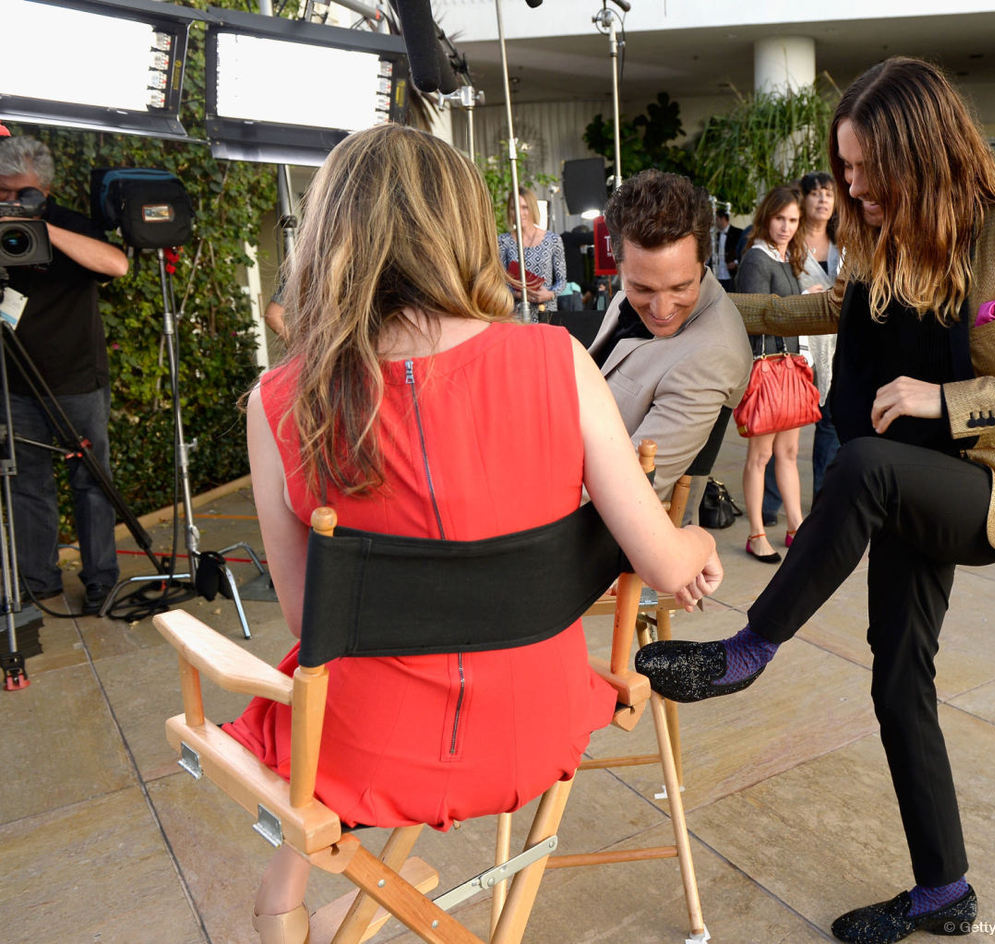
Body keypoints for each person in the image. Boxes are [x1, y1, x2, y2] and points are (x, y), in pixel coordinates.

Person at [635, 57, 995, 944]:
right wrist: (700, 300)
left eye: (866, 169)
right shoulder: (887, 235)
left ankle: (750, 650)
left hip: (981, 486)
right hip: (903, 482)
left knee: (858, 463)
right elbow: (829, 308)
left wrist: (951, 401)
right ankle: (945, 895)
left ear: (922, 152)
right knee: (900, 683)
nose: (850, 188)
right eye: (846, 167)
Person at [224, 126, 723, 944]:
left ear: (328, 239)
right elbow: (665, 564)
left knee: (300, 715)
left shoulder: (279, 402)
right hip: (537, 729)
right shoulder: (556, 361)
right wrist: (698, 550)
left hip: (366, 756)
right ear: (461, 230)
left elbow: (308, 618)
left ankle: (282, 904)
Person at [0, 136, 128, 614]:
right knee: (26, 482)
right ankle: (39, 581)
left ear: (45, 189)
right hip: (13, 381)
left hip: (75, 379)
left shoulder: (70, 224)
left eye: (22, 194)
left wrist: (42, 226)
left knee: (91, 480)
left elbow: (116, 264)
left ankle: (101, 580)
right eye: (2, 193)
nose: (11, 203)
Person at [587, 169, 753, 502]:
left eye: (681, 287)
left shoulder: (713, 356)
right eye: (642, 287)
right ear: (619, 267)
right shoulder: (623, 299)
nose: (662, 309)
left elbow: (630, 491)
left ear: (704, 261)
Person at [761, 172, 843, 528]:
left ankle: (824, 500)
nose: (823, 200)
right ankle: (770, 502)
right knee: (780, 424)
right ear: (803, 199)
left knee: (831, 426)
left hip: (838, 347)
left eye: (829, 193)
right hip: (797, 348)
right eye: (816, 193)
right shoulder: (789, 244)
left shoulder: (845, 241)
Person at [735, 184, 810, 563]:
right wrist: (800, 305)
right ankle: (756, 533)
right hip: (765, 366)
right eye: (780, 218)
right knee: (760, 455)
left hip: (789, 365)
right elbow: (754, 315)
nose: (786, 226)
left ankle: (796, 525)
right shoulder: (757, 259)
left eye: (793, 220)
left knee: (789, 452)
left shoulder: (785, 256)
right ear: (767, 217)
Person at [497, 184, 567, 318]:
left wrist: (550, 294)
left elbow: (562, 280)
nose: (519, 213)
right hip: (516, 314)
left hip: (546, 311)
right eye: (514, 208)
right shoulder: (503, 241)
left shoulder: (553, 240)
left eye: (524, 207)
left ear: (532, 208)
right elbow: (499, 282)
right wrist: (519, 294)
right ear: (509, 212)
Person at [711, 207, 743, 291]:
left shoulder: (738, 233)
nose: (715, 223)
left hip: (732, 274)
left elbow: (744, 251)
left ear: (723, 219)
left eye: (717, 219)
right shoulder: (716, 235)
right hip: (718, 274)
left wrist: (736, 262)